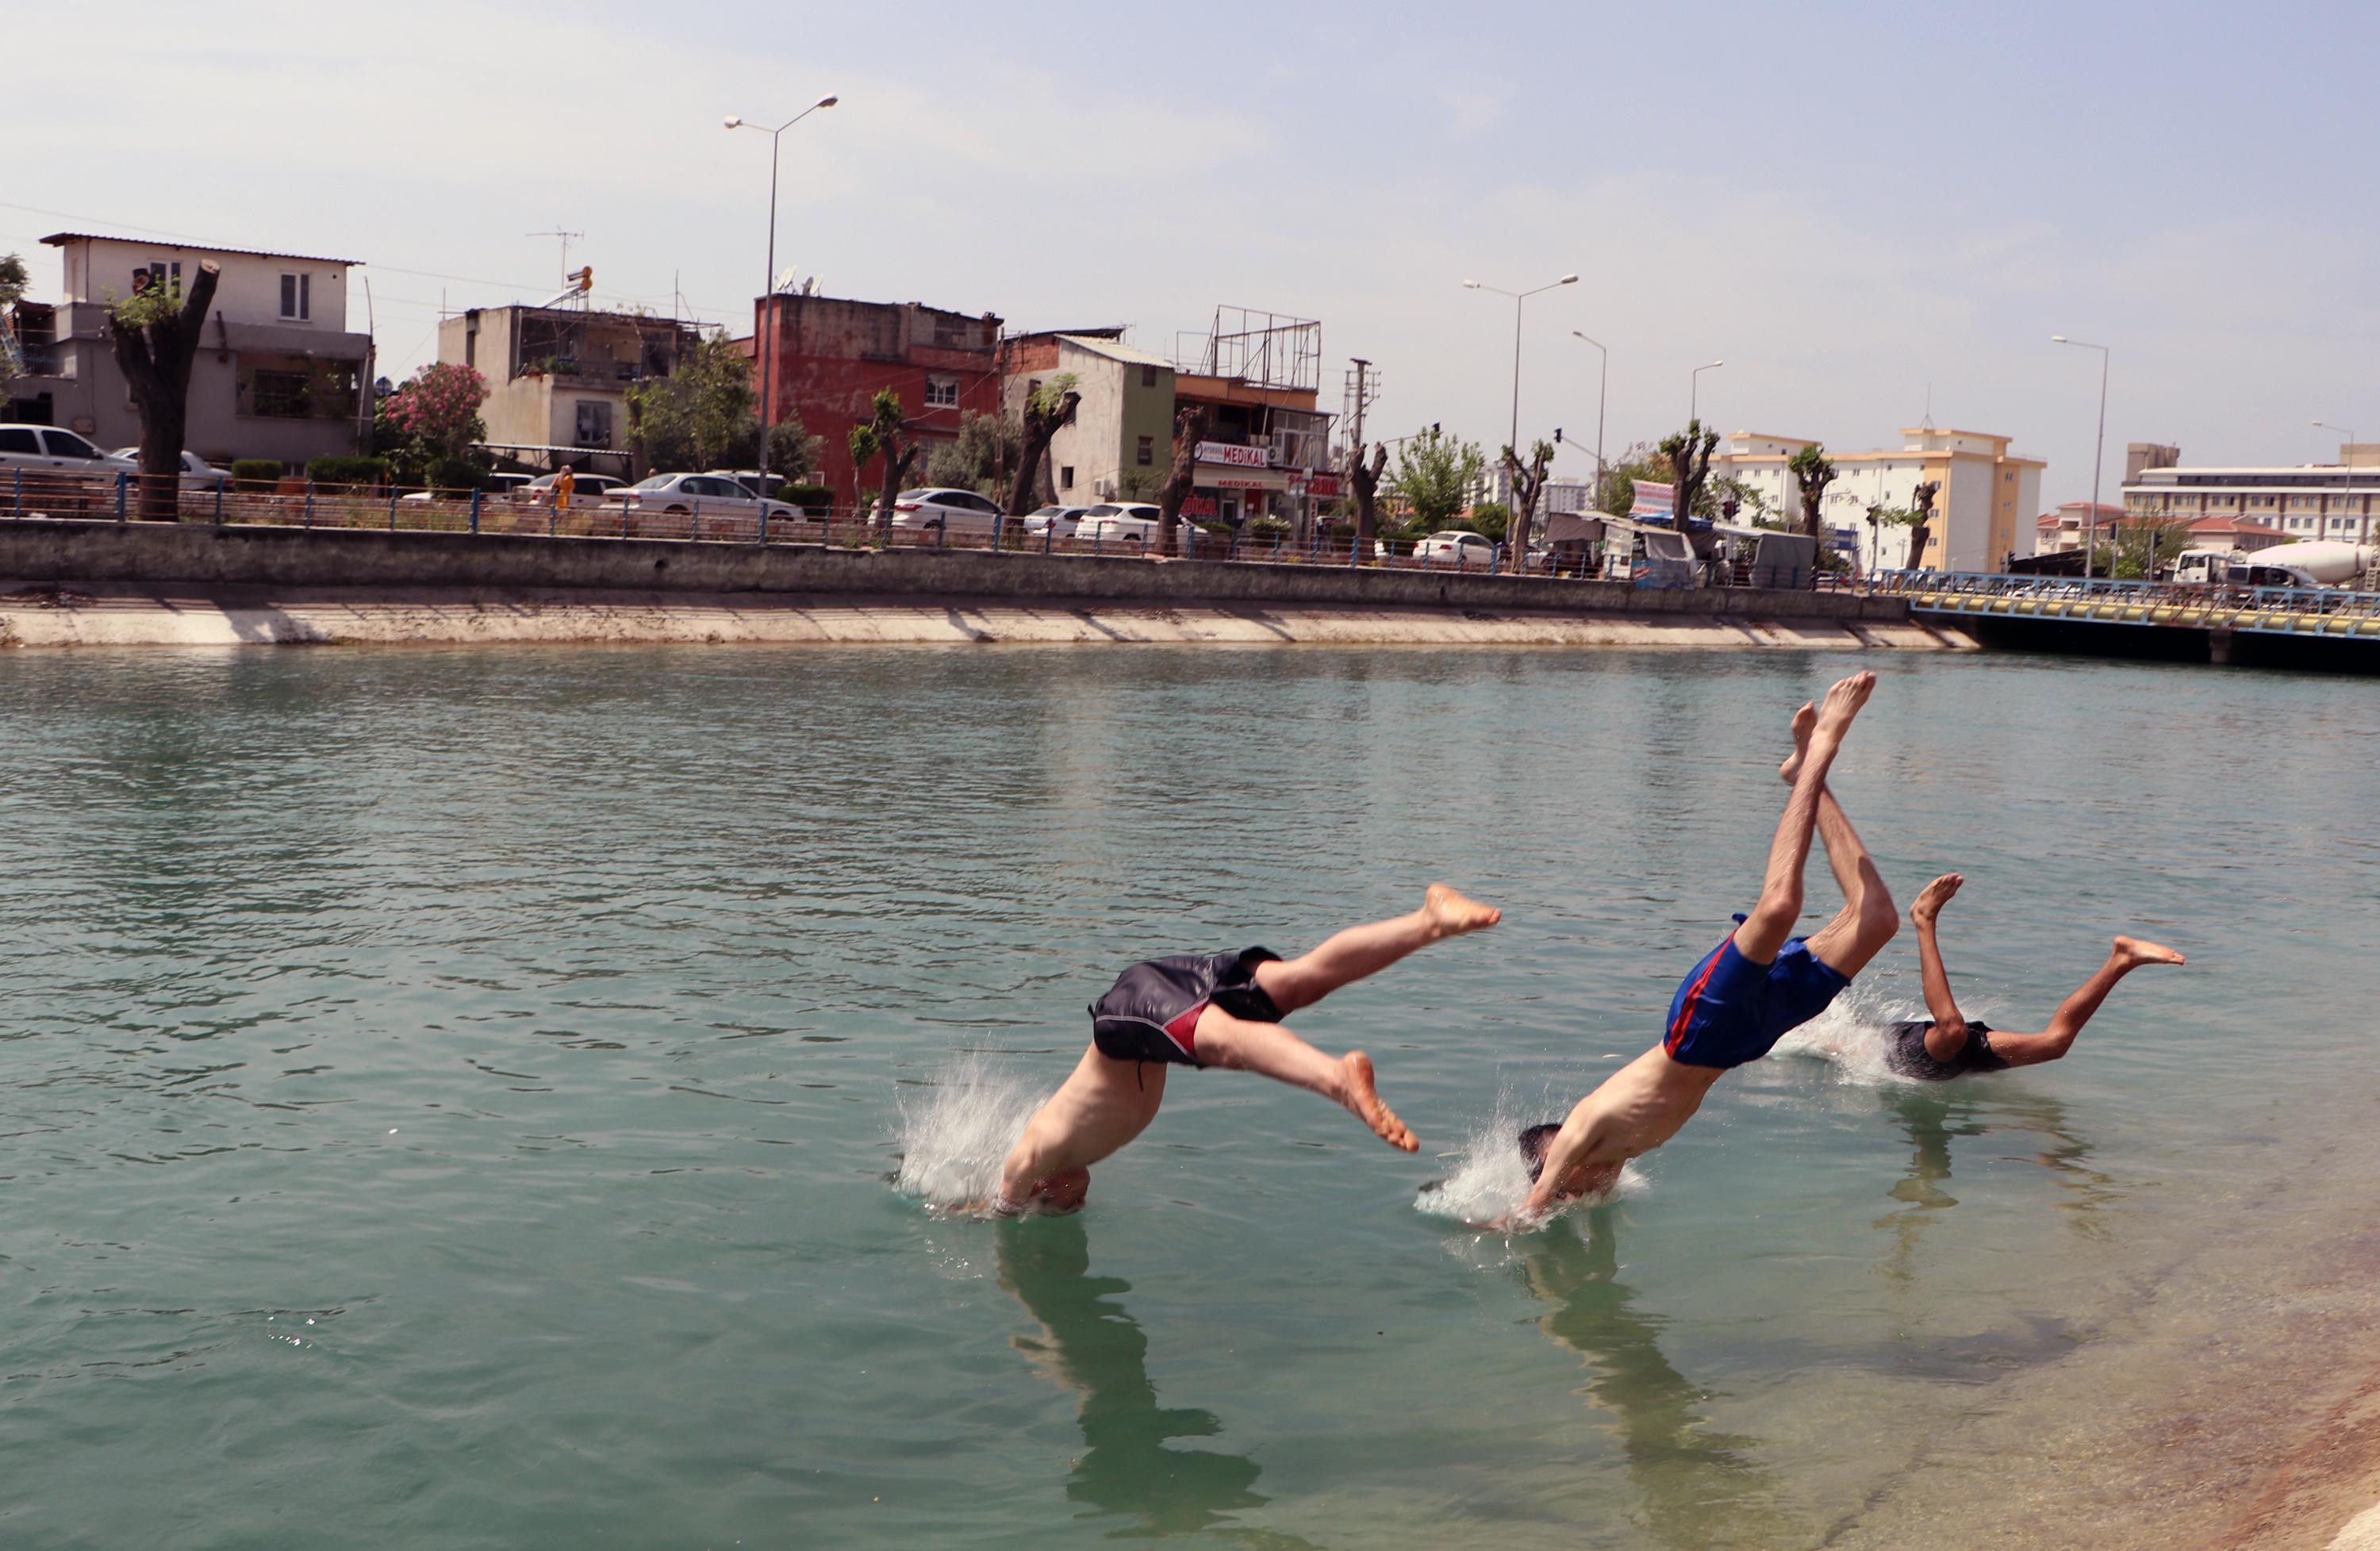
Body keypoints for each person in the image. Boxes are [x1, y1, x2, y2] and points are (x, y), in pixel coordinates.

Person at [1511, 672, 1899, 1223]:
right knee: (1878, 920)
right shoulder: (1616, 1159)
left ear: (1557, 1161)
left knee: (1779, 905)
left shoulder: (1579, 1131)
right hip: (1746, 1040)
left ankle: (1823, 746)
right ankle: (1805, 775)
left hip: (1696, 1029)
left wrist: (1511, 1221)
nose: (1586, 1191)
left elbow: (1533, 1204)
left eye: (1567, 1183)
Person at [989, 885, 1502, 1215]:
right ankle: (1430, 920)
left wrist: (997, 1209)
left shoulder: (1037, 1154)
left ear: (1042, 1189)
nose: (1077, 1200)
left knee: (1226, 1045)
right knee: (1296, 983)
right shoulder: (1080, 1149)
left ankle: (1337, 1080)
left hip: (1126, 1014)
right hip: (1152, 993)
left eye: (1065, 1202)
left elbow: (1005, 1194)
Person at [1883, 871, 2185, 1081]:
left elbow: (1848, 1044)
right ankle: (2122, 960)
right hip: (1954, 1067)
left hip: (1918, 1056)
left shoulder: (1866, 1045)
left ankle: (1924, 919)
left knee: (1951, 1030)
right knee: (2055, 1044)